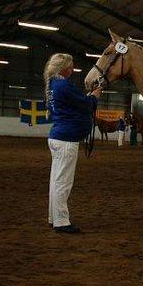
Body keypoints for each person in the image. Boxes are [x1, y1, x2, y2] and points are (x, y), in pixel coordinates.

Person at [44, 53, 102, 234]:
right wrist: (95, 95)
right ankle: (61, 221)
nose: (73, 69)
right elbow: (86, 105)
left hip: (58, 137)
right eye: (71, 66)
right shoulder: (63, 85)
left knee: (56, 180)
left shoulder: (53, 85)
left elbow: (75, 103)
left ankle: (54, 217)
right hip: (66, 140)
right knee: (63, 182)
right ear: (64, 68)